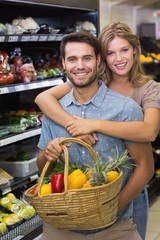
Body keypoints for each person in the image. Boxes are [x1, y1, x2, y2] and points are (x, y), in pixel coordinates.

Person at [35, 22, 160, 239]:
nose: (118, 59)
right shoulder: (92, 79)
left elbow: (149, 132)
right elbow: (43, 98)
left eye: (124, 50)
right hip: (77, 200)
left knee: (130, 227)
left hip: (129, 186)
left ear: (135, 51)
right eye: (111, 52)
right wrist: (72, 126)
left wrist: (93, 124)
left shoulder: (146, 90)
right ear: (103, 58)